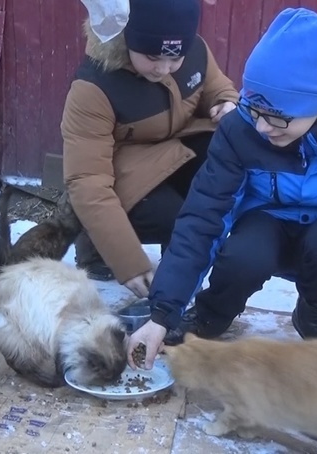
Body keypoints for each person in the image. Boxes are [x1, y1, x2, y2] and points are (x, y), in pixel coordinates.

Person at [127, 7, 317, 368]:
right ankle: (212, 314)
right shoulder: (240, 130)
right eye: (254, 110)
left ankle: (316, 316)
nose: (261, 128)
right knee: (244, 254)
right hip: (266, 222)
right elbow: (202, 217)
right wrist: (163, 314)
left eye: (277, 118)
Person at [61, 0, 239, 297]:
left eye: (175, 59)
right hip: (122, 176)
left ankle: (181, 265)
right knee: (177, 217)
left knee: (220, 153)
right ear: (128, 38)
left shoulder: (195, 51)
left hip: (173, 152)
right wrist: (128, 261)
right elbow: (87, 181)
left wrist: (225, 103)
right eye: (152, 57)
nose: (164, 68)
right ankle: (96, 244)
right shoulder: (92, 88)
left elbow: (216, 86)